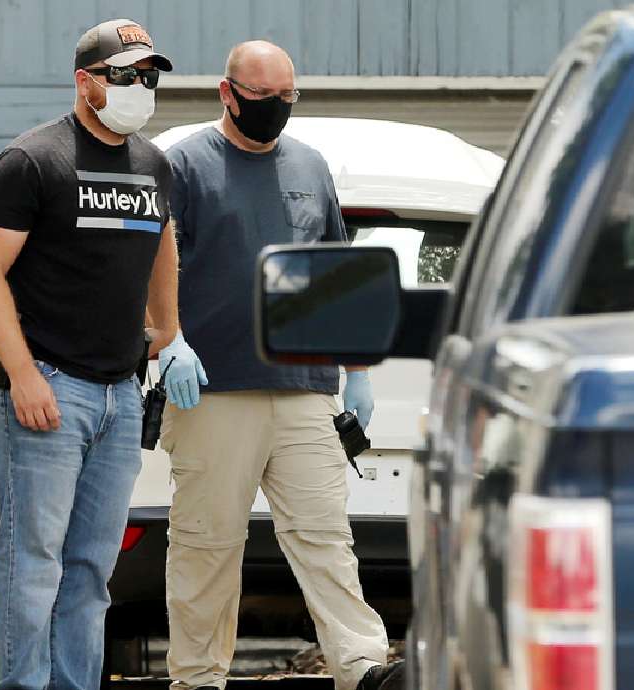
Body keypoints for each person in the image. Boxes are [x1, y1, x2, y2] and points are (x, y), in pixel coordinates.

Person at [158, 41, 403, 690]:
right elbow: (151, 268)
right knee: (207, 543)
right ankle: (197, 677)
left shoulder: (309, 166)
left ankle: (362, 666)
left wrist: (358, 370)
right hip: (213, 388)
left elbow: (336, 272)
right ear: (227, 93)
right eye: (262, 97)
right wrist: (167, 341)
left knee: (326, 538)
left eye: (286, 97)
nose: (276, 107)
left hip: (305, 388)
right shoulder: (184, 165)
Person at [0, 19, 179, 690]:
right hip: (46, 386)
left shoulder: (153, 164)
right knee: (34, 563)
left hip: (120, 392)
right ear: (86, 82)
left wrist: (169, 330)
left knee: (90, 568)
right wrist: (22, 374)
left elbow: (162, 243)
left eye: (149, 76)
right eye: (126, 75)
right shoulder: (32, 160)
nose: (141, 87)